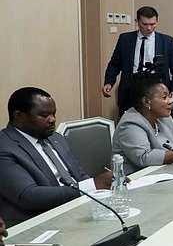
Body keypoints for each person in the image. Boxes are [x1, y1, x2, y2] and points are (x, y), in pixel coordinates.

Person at [0, 87, 111, 227]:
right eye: (44, 115)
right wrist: (93, 184)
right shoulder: (5, 146)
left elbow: (79, 175)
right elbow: (28, 196)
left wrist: (103, 189)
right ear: (19, 116)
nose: (52, 120)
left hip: (76, 212)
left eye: (53, 114)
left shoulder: (56, 138)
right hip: (38, 223)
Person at [113, 79, 173, 174]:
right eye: (164, 97)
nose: (169, 102)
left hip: (166, 172)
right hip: (135, 179)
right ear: (146, 102)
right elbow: (144, 157)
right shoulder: (130, 124)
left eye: (169, 97)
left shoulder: (163, 117)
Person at [102, 6, 173, 114]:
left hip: (157, 88)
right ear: (137, 22)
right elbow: (115, 64)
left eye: (152, 24)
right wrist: (109, 82)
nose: (149, 28)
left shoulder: (167, 41)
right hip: (130, 89)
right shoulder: (125, 39)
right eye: (145, 24)